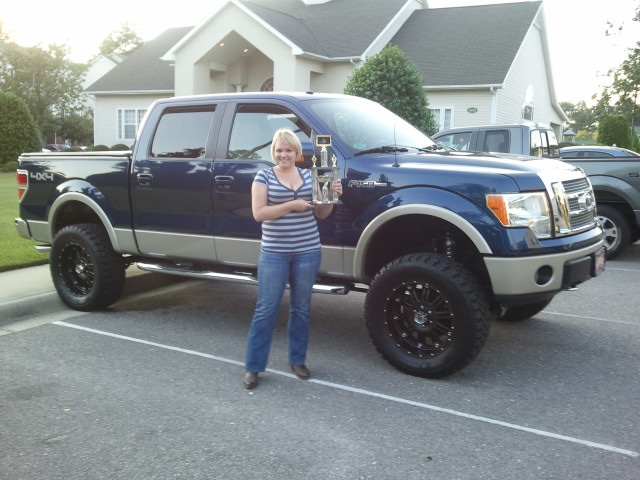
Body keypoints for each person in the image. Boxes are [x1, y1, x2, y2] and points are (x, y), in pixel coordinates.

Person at [243, 128, 342, 389]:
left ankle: (297, 359)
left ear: (297, 152)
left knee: (301, 308)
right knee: (266, 309)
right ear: (273, 152)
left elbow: (322, 215)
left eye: (288, 149)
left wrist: (331, 194)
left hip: (308, 250)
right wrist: (291, 205)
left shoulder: (311, 176)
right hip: (274, 252)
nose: (283, 154)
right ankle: (254, 367)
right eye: (278, 149)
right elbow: (259, 213)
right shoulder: (263, 176)